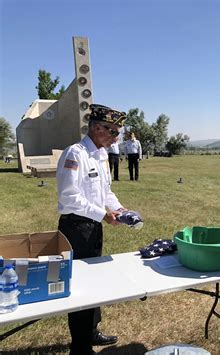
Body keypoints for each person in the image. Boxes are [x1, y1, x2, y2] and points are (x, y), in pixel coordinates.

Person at [56, 104, 129, 355]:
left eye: (118, 132)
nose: (116, 138)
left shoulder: (100, 154)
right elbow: (69, 198)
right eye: (112, 131)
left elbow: (105, 191)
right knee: (80, 289)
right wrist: (103, 215)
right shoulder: (75, 154)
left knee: (94, 283)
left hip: (94, 226)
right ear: (97, 128)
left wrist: (118, 210)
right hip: (76, 228)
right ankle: (80, 347)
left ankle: (92, 331)